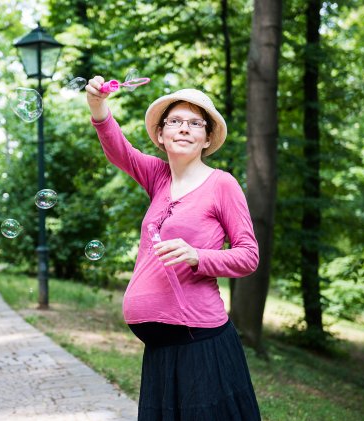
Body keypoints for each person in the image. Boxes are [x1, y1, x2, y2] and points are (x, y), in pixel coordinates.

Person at [86, 76, 261, 420]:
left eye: (195, 123)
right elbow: (120, 151)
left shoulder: (222, 184)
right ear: (161, 134)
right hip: (160, 347)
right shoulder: (158, 177)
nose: (184, 128)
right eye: (175, 121)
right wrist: (97, 106)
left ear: (207, 138)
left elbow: (249, 255)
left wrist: (198, 256)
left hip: (200, 342)